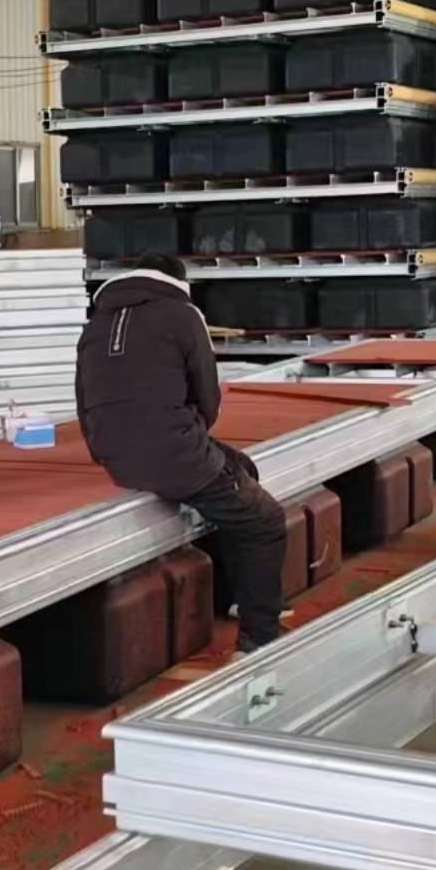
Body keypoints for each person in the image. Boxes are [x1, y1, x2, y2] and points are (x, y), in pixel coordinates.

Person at [75, 254, 287, 652]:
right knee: (266, 521)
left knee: (243, 468)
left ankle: (235, 598)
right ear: (177, 281)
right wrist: (190, 437)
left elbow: (83, 403)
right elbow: (207, 396)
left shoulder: (95, 325)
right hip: (174, 455)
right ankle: (260, 640)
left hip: (115, 456)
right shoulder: (183, 315)